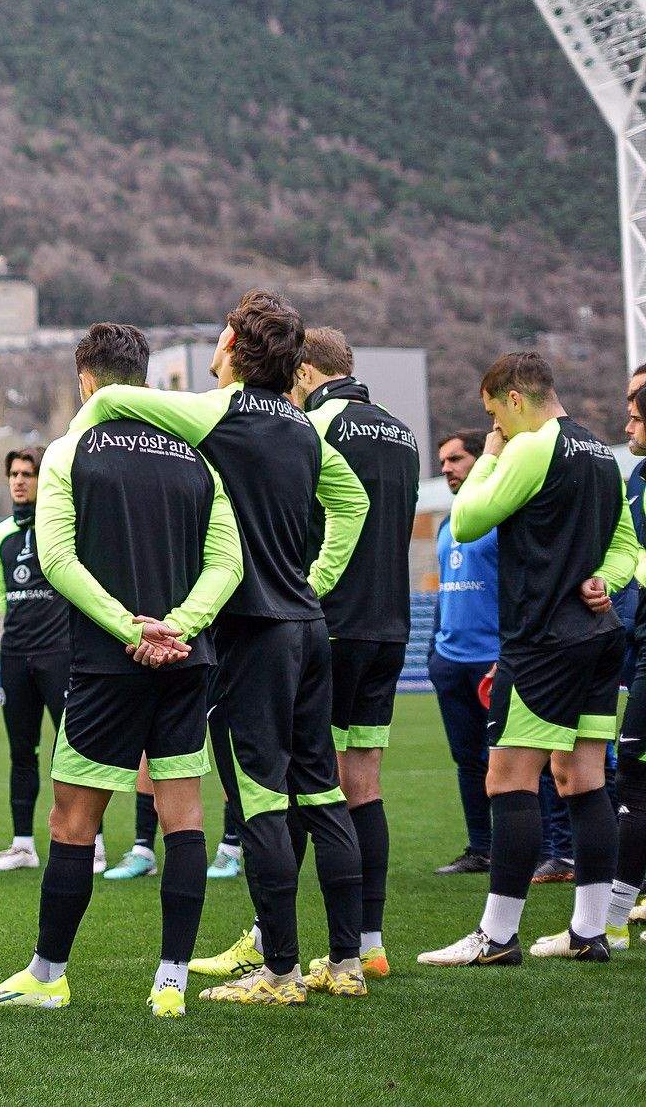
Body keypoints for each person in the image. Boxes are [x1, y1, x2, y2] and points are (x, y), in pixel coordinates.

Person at [72, 290, 370, 1005]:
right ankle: (347, 962)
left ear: (235, 346)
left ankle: (280, 973)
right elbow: (353, 500)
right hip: (306, 627)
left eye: (222, 332)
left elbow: (114, 403)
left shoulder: (217, 408)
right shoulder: (302, 426)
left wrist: (75, 436)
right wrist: (315, 579)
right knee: (323, 789)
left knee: (262, 800)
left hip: (254, 632)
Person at [0, 322, 242, 1018]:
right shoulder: (198, 458)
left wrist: (131, 628)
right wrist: (177, 626)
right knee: (184, 818)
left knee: (72, 822)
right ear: (146, 378)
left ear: (85, 378)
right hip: (188, 660)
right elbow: (227, 564)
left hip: (103, 665)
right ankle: (171, 982)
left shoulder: (70, 450)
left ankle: (49, 973)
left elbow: (58, 561)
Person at [419, 351, 638, 966]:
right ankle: (588, 931)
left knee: (508, 779)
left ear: (513, 399)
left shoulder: (528, 446)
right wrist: (604, 579)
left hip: (542, 642)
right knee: (583, 778)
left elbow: (467, 520)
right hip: (599, 637)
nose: (494, 428)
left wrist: (489, 454)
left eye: (493, 415)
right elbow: (626, 547)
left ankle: (496, 935)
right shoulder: (601, 453)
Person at [298, 329, 420, 978]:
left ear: (307, 370)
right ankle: (369, 942)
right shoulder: (401, 432)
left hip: (329, 621)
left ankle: (286, 943)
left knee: (306, 785)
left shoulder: (315, 423)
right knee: (363, 780)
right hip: (389, 624)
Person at [0, 447, 80, 874]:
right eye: (14, 474)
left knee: (72, 751)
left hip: (59, 654)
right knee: (22, 752)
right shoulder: (0, 535)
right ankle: (23, 845)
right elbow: (2, 596)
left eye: (29, 473)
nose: (19, 481)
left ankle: (88, 842)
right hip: (16, 655)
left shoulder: (60, 527)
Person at [430, 429, 500, 875]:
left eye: (456, 459)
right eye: (443, 462)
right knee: (467, 761)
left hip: (493, 659)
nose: (447, 469)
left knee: (514, 763)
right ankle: (480, 848)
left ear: (482, 460)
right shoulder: (445, 521)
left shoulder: (500, 518)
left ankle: (543, 849)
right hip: (451, 662)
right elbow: (443, 591)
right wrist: (437, 650)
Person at [611, 379, 646, 939]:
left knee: (634, 777)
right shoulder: (637, 476)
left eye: (635, 412)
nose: (626, 425)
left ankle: (608, 920)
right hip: (639, 637)